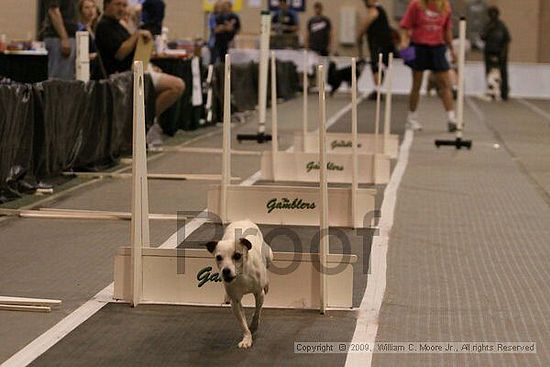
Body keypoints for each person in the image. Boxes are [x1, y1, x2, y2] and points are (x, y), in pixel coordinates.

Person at [95, 0, 185, 145]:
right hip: (122, 77)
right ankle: (145, 121)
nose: (122, 9)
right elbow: (120, 53)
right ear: (106, 5)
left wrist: (149, 65)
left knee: (177, 86)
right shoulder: (104, 26)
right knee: (176, 86)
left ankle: (145, 120)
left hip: (136, 72)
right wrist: (136, 35)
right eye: (118, 5)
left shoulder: (119, 26)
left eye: (124, 5)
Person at [399, 0, 457, 132]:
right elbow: (405, 26)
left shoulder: (445, 5)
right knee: (416, 84)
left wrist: (452, 50)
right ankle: (411, 118)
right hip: (418, 46)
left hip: (437, 47)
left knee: (445, 83)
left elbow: (447, 30)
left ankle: (451, 118)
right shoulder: (416, 5)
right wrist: (404, 44)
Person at [357, 0, 395, 100]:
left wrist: (360, 34)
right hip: (383, 43)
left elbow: (369, 20)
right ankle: (378, 89)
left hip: (378, 43)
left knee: (376, 66)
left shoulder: (375, 9)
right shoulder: (381, 10)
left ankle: (378, 91)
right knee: (380, 66)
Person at [40, 0, 79, 80]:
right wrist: (64, 38)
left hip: (68, 37)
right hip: (58, 39)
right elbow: (53, 11)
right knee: (59, 81)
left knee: (66, 79)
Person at [480, 6, 510, 101]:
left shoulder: (502, 26)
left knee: (503, 73)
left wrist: (504, 52)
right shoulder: (487, 25)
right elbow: (482, 36)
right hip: (489, 51)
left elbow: (507, 40)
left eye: (494, 13)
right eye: (491, 14)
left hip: (500, 52)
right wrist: (489, 29)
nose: (493, 15)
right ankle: (491, 91)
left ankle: (504, 92)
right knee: (489, 72)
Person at [77, 0, 104, 79]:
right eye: (87, 8)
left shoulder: (97, 28)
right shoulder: (80, 29)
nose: (91, 11)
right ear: (81, 11)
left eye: (93, 7)